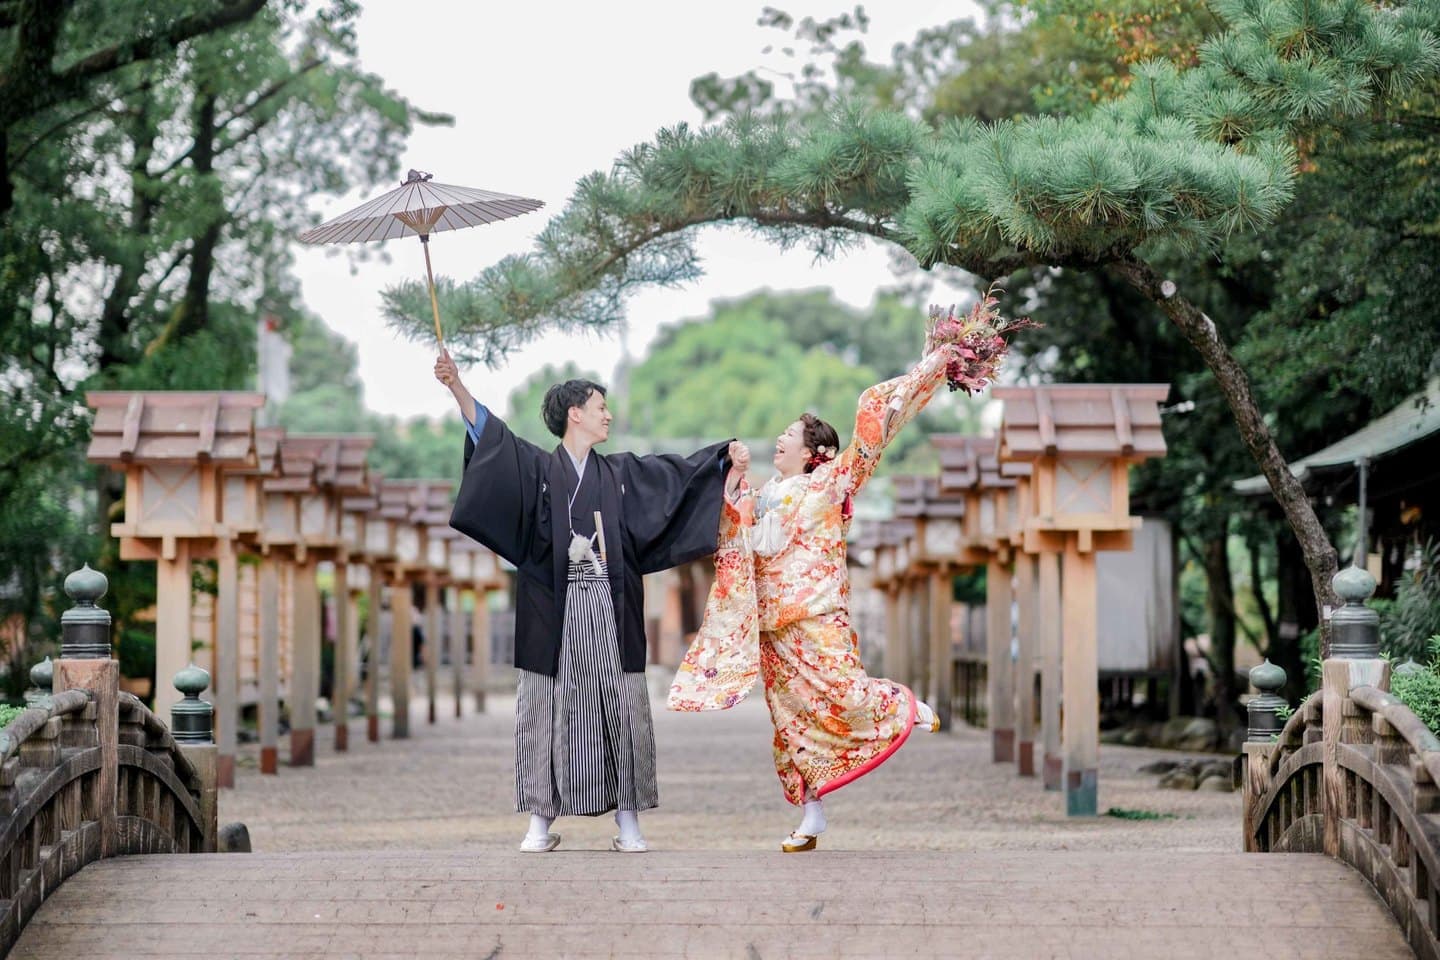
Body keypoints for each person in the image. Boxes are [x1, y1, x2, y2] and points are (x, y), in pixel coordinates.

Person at [435, 351, 747, 853]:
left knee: (619, 708)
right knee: (546, 707)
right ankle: (539, 822)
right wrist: (456, 387)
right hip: (552, 611)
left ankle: (628, 822)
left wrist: (719, 462)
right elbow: (492, 441)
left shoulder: (620, 474)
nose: (608, 414)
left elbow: (673, 480)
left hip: (609, 604)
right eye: (599, 406)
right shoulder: (538, 469)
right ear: (574, 413)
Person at [668, 341, 967, 852]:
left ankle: (900, 703)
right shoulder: (761, 496)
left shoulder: (831, 482)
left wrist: (932, 368)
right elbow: (739, 535)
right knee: (790, 721)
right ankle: (812, 816)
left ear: (811, 453)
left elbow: (879, 427)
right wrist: (734, 477)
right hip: (775, 624)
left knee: (845, 692)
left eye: (789, 435)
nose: (779, 440)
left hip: (818, 611)